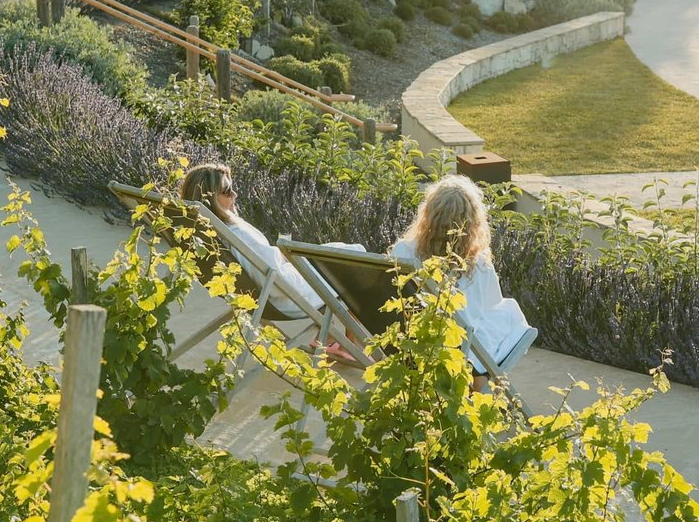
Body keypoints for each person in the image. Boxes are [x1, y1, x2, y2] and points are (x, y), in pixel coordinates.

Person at [180, 163, 361, 362]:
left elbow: (264, 264)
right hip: (287, 296)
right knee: (352, 259)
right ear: (210, 197)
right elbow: (274, 275)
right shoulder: (236, 232)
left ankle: (328, 338)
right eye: (227, 191)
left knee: (339, 251)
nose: (235, 195)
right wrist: (292, 257)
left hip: (266, 294)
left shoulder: (208, 234)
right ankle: (343, 342)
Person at [390, 175, 535, 392]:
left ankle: (477, 378)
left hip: (410, 342)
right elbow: (488, 307)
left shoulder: (403, 252)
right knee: (506, 313)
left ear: (427, 216)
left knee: (481, 324)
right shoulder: (478, 265)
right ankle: (480, 383)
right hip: (454, 351)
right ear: (473, 223)